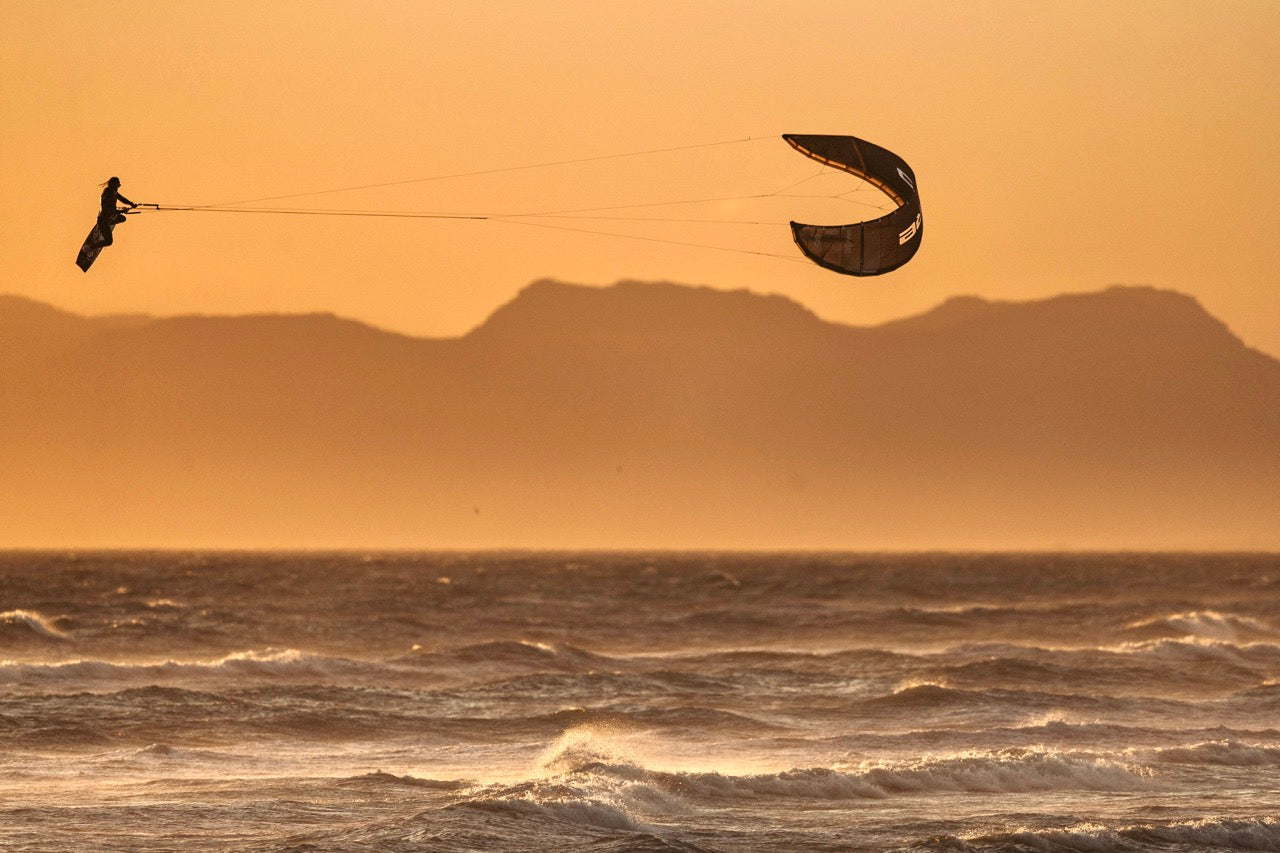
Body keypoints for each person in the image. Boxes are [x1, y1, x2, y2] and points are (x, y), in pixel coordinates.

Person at [98, 177, 136, 245]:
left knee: (122, 218)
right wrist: (121, 211)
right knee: (109, 242)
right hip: (103, 220)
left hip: (109, 217)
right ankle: (92, 246)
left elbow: (122, 199)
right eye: (118, 184)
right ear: (113, 185)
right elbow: (108, 210)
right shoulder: (108, 193)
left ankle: (109, 224)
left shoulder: (113, 192)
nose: (119, 186)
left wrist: (131, 204)